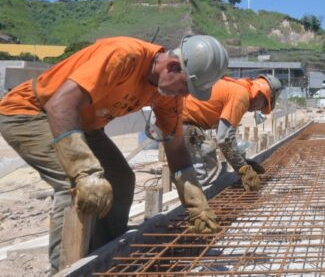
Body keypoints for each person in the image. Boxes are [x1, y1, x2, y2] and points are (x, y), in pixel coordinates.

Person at [0, 35, 228, 274]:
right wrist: (85, 172)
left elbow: (176, 148)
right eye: (184, 88)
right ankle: (65, 269)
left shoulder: (166, 92)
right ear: (172, 67)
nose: (184, 96)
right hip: (32, 112)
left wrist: (196, 204)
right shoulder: (124, 56)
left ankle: (104, 259)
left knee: (121, 180)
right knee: (78, 186)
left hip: (83, 123)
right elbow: (60, 105)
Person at [181, 74, 282, 190]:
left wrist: (243, 162)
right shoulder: (241, 96)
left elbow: (225, 137)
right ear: (261, 94)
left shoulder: (236, 90)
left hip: (181, 118)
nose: (258, 109)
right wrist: (243, 169)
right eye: (263, 105)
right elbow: (224, 140)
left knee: (206, 153)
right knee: (206, 164)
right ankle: (194, 199)